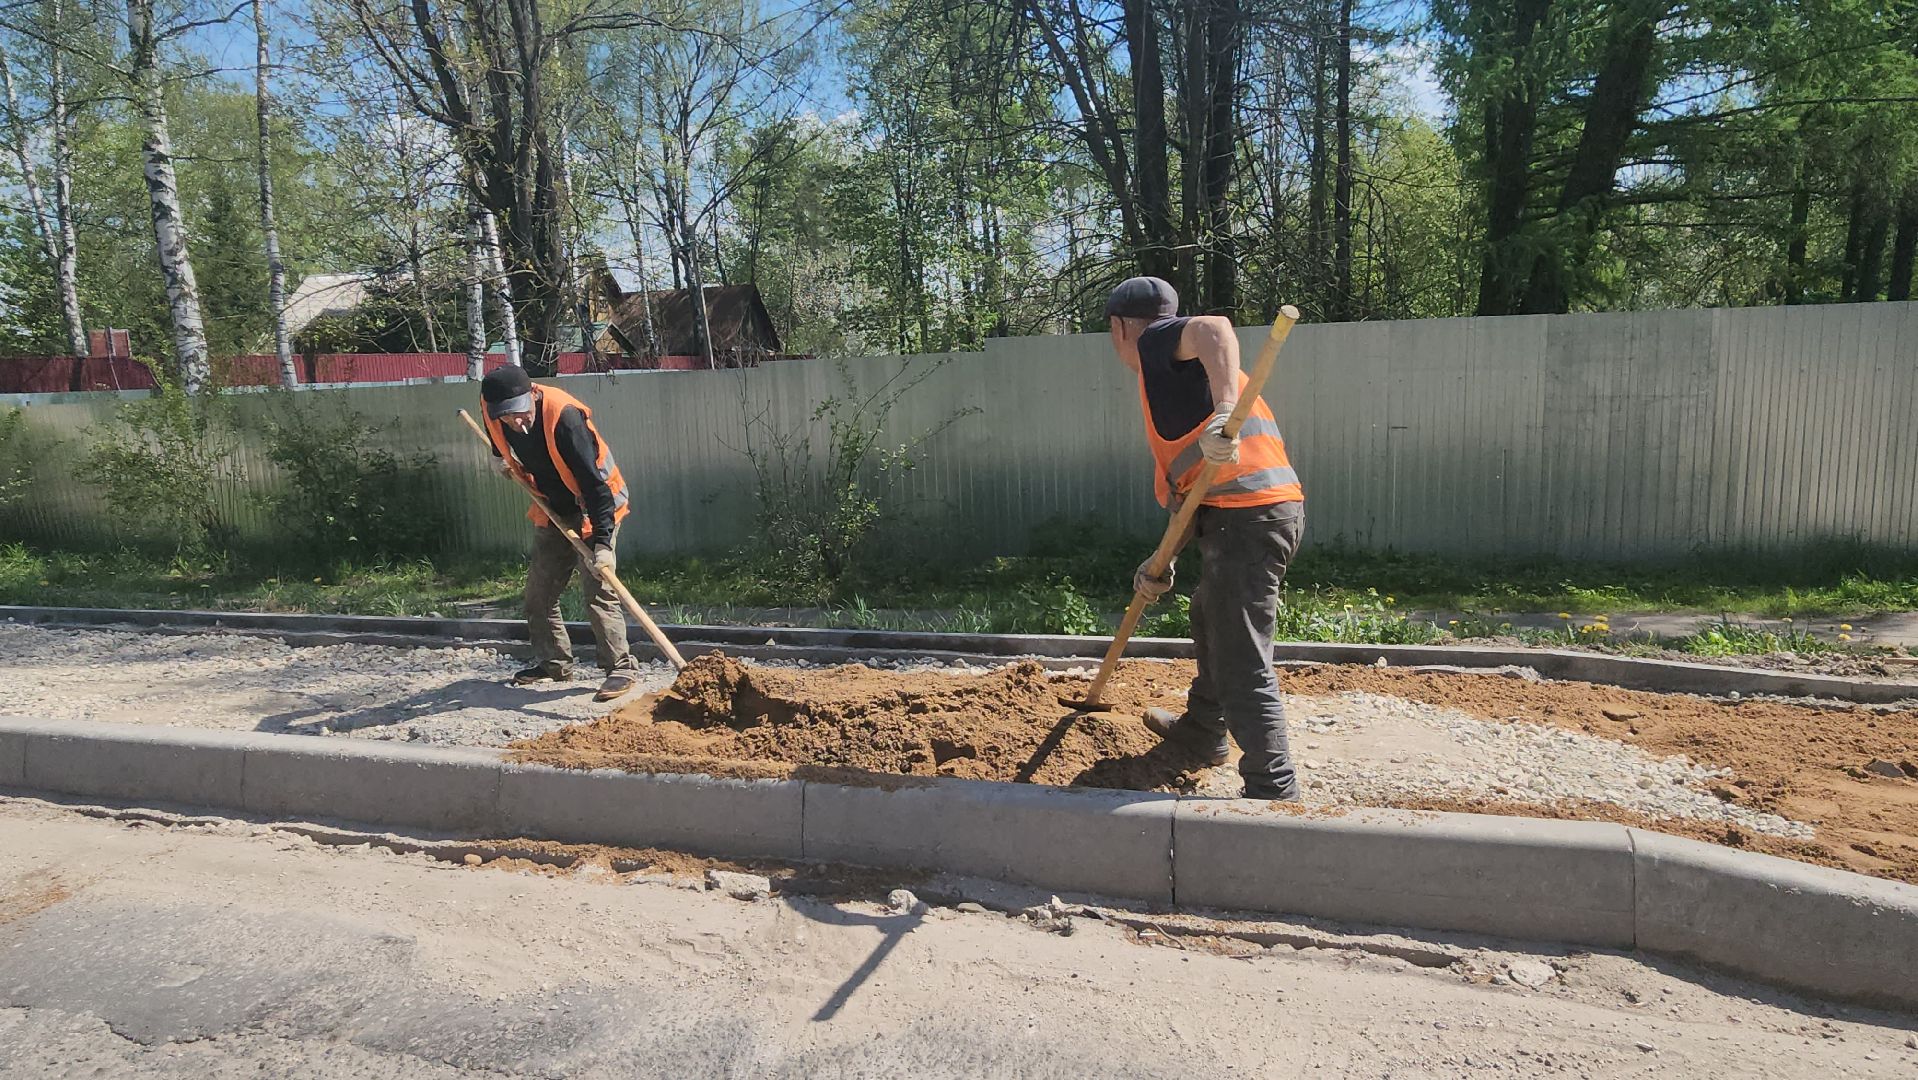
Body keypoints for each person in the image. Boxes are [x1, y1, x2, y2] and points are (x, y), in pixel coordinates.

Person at [1105, 276, 1307, 801]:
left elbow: (1216, 327)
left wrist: (1224, 412)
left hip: (1249, 520)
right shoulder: (1179, 380)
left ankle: (1273, 785)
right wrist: (1161, 559)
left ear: (1120, 327)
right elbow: (1191, 487)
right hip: (1253, 516)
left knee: (1240, 651)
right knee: (1209, 615)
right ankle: (1203, 730)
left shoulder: (1156, 343)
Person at [478, 365, 641, 702]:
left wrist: (602, 543)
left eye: (521, 414)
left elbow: (596, 487)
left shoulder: (565, 419)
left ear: (533, 396)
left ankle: (620, 666)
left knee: (598, 589)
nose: (516, 423)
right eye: (507, 418)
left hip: (595, 505)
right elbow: (493, 430)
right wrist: (498, 456)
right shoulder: (493, 405)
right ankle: (553, 663)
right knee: (539, 594)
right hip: (552, 505)